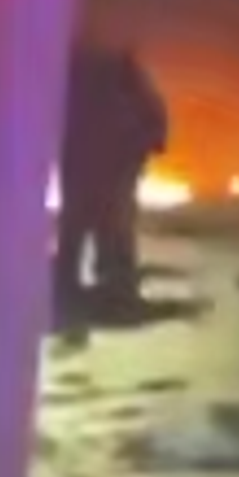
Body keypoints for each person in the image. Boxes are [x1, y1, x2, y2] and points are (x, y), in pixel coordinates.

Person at [55, 41, 167, 320]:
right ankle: (107, 290)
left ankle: (88, 289)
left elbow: (152, 116)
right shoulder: (111, 70)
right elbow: (153, 115)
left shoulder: (91, 71)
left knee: (87, 227)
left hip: (98, 163)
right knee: (100, 227)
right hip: (101, 163)